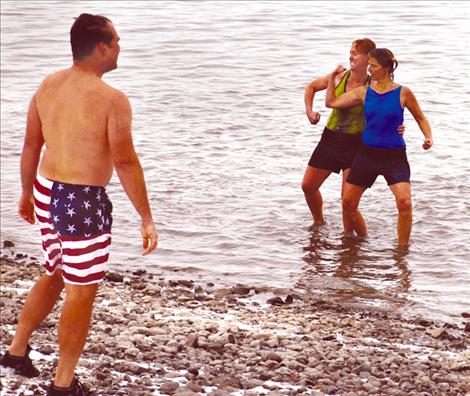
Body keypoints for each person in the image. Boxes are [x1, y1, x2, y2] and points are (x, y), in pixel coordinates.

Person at [0, 13, 158, 395]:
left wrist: (25, 193)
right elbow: (124, 161)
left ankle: (16, 353)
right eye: (116, 41)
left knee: (55, 271)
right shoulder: (112, 99)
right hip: (81, 200)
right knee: (80, 291)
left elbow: (31, 145)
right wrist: (146, 217)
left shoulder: (48, 85)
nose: (120, 47)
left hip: (45, 188)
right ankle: (63, 384)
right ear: (101, 47)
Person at [325, 48, 433, 247]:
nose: (369, 69)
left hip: (394, 156)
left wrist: (428, 137)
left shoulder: (403, 92)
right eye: (369, 65)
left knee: (405, 203)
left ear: (385, 68)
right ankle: (360, 241)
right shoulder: (364, 92)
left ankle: (402, 251)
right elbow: (331, 102)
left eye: (373, 66)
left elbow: (420, 117)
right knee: (348, 203)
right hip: (367, 155)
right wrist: (332, 78)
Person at [302, 38, 404, 236]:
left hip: (357, 144)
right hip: (331, 139)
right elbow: (311, 87)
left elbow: (389, 108)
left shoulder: (373, 86)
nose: (350, 56)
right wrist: (309, 112)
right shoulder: (339, 77)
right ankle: (319, 222)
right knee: (308, 186)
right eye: (350, 52)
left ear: (368, 58)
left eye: (355, 53)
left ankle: (354, 241)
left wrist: (397, 127)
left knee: (347, 201)